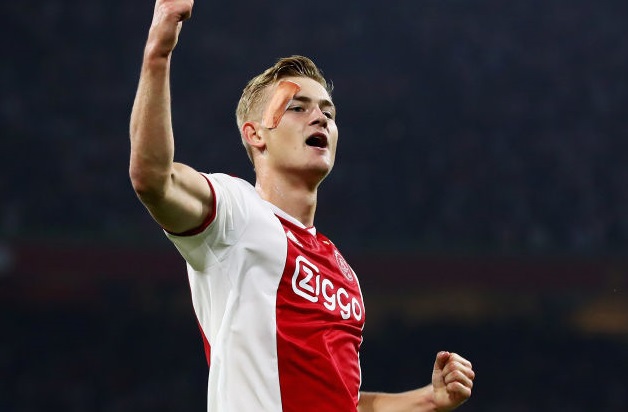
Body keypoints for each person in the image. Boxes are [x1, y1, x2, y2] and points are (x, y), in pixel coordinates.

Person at [129, 0, 475, 411]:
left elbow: (347, 403)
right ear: (256, 135)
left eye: (328, 112)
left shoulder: (343, 273)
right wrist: (159, 51)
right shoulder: (235, 213)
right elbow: (155, 178)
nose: (320, 118)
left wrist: (430, 399)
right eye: (297, 107)